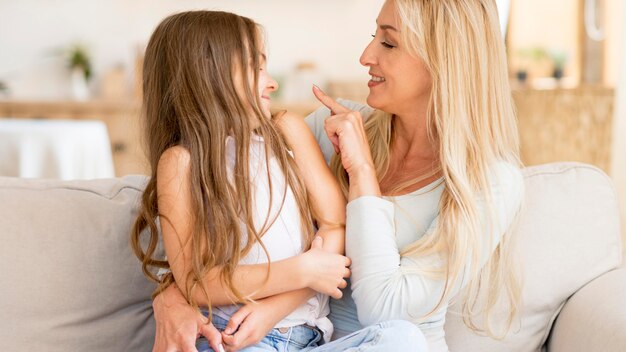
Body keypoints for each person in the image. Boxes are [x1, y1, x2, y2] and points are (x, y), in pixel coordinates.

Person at [151, 0, 524, 351]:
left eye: (389, 43)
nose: (366, 56)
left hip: (381, 345)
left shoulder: (490, 182)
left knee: (402, 341)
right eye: (374, 36)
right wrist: (171, 297)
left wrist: (362, 173)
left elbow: (385, 310)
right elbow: (214, 230)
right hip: (271, 338)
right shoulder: (331, 128)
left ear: (444, 60)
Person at [131, 10, 425, 352]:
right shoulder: (180, 163)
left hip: (308, 339)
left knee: (402, 339)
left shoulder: (288, 131)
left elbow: (336, 225)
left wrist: (274, 307)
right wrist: (301, 271)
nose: (271, 82)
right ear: (209, 75)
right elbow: (198, 281)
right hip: (231, 338)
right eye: (256, 68)